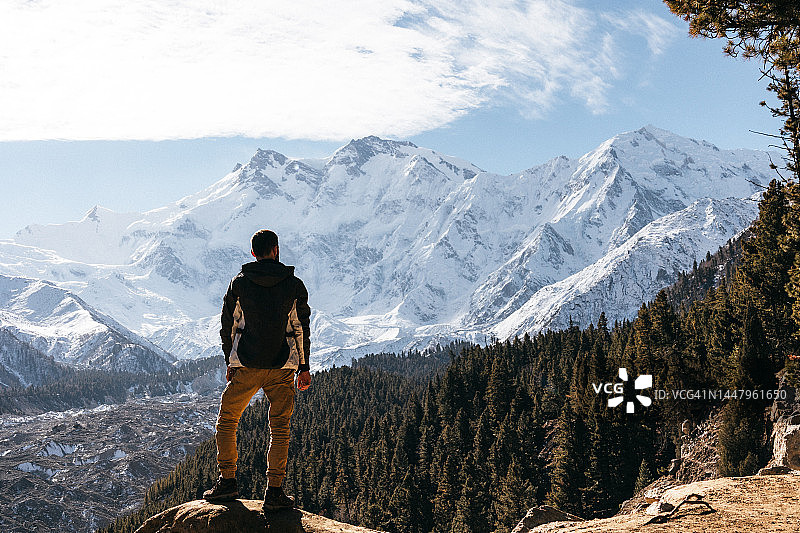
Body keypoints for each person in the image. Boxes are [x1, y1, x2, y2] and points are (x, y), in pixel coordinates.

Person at [203, 229, 312, 511]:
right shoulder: (294, 285)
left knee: (227, 421)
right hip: (282, 366)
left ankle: (228, 481)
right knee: (280, 428)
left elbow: (228, 325)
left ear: (253, 253)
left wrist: (230, 361)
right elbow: (300, 327)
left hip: (247, 365)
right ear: (276, 250)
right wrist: (303, 367)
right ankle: (274, 492)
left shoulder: (239, 283)